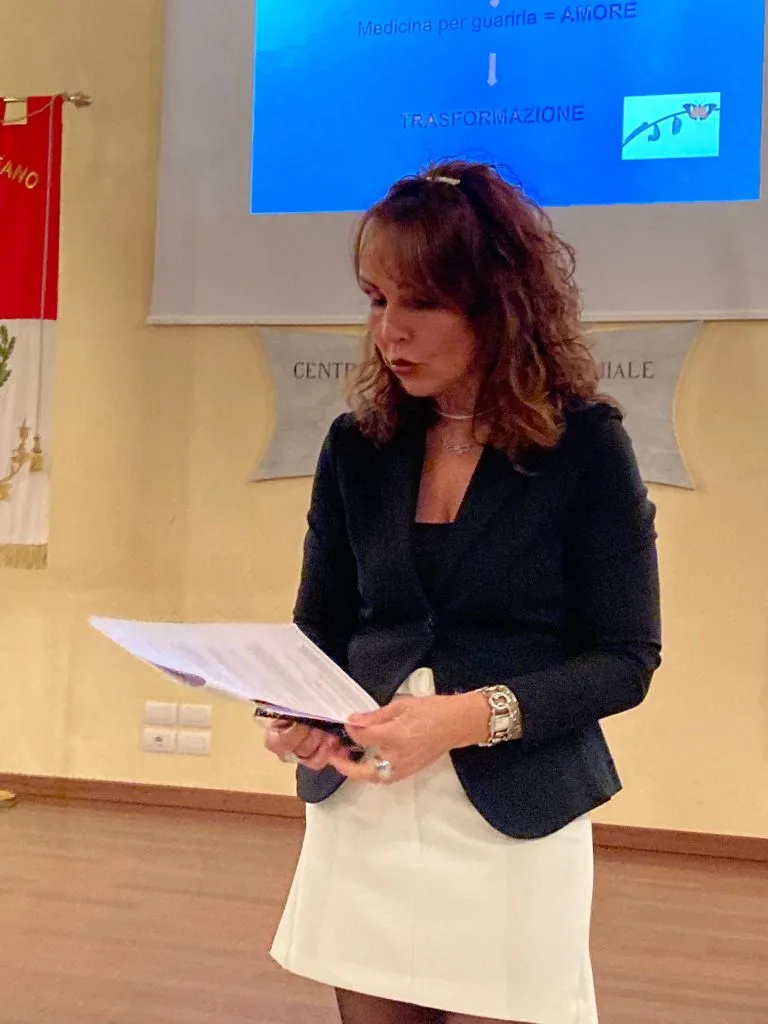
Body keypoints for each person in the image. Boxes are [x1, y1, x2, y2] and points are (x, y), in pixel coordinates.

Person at [264, 160, 661, 1024]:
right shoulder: (356, 446)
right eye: (376, 299)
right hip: (365, 806)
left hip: (514, 811)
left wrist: (463, 718)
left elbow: (625, 660)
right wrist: (300, 711)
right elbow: (320, 627)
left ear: (498, 304)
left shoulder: (586, 448)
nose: (390, 331)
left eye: (422, 302)